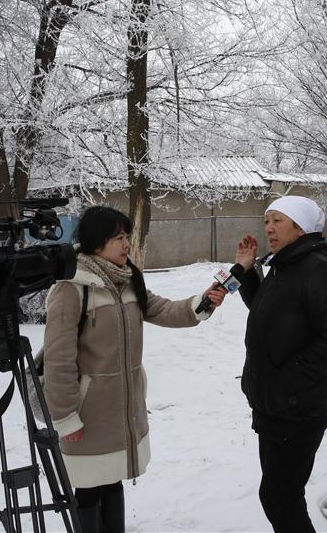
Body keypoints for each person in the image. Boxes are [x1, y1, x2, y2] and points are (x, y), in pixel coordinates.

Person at [42, 205, 226, 533]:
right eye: (118, 237)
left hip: (122, 409)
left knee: (112, 482)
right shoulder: (71, 288)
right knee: (87, 490)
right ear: (96, 243)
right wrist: (66, 418)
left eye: (126, 236)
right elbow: (58, 361)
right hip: (87, 412)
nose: (126, 243)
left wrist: (203, 302)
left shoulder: (129, 280)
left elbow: (165, 310)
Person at [234, 195, 327, 533]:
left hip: (300, 405)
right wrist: (246, 271)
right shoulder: (283, 265)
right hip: (274, 403)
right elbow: (267, 310)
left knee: (278, 495)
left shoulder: (316, 270)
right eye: (267, 220)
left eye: (278, 221)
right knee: (281, 492)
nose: (269, 228)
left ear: (300, 228)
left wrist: (284, 383)